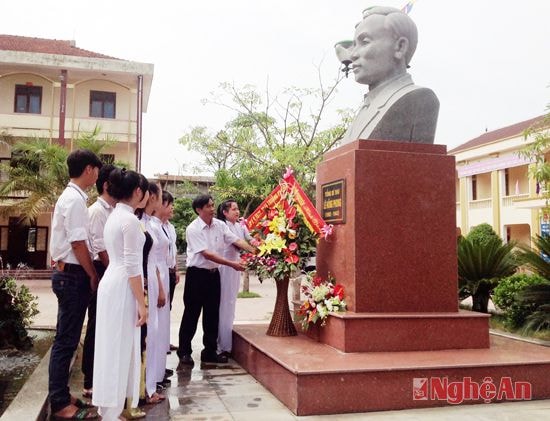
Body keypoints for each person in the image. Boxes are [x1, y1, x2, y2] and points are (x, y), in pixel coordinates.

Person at [48, 149, 102, 420]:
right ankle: (59, 403)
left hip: (66, 273)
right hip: (71, 274)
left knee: (66, 339)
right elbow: (78, 243)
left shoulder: (71, 197)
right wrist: (92, 274)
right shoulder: (75, 200)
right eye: (97, 169)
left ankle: (62, 393)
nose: (98, 175)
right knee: (66, 341)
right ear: (90, 170)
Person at [92, 169, 148, 420]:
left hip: (111, 282)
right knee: (120, 347)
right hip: (123, 286)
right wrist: (142, 303)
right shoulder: (131, 221)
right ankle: (112, 411)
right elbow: (133, 268)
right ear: (137, 191)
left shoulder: (115, 216)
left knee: (110, 345)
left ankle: (109, 409)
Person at [337, 6, 439, 144]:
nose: (353, 54)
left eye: (364, 42)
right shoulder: (367, 105)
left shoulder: (417, 98)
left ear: (400, 47)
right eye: (354, 45)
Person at [177, 194, 256, 367]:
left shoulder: (220, 225)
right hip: (197, 275)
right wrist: (231, 264)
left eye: (213, 205)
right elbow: (207, 254)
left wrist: (256, 251)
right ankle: (184, 351)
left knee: (212, 314)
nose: (213, 209)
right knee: (192, 313)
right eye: (209, 206)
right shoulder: (193, 229)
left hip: (214, 275)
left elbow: (235, 240)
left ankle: (210, 351)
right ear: (199, 210)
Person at [81, 164, 116, 400]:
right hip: (103, 269)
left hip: (112, 269)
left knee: (108, 325)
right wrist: (116, 272)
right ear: (106, 185)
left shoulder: (113, 210)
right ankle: (90, 379)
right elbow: (100, 249)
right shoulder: (96, 211)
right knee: (96, 325)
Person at [140, 182, 169, 402]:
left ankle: (151, 383)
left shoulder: (151, 223)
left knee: (156, 332)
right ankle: (146, 387)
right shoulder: (141, 222)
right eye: (159, 195)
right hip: (147, 278)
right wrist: (155, 287)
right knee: (149, 334)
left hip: (156, 276)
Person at [216, 199, 253, 358]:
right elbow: (239, 243)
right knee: (223, 304)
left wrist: (267, 245)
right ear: (225, 212)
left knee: (231, 303)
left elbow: (250, 239)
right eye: (234, 209)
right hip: (225, 266)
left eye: (238, 209)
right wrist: (258, 251)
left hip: (236, 268)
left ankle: (227, 342)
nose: (237, 212)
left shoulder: (240, 225)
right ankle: (221, 346)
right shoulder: (222, 225)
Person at [159, 191, 179, 357]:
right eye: (169, 204)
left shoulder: (170, 227)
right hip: (160, 273)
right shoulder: (155, 226)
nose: (172, 208)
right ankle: (160, 344)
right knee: (160, 309)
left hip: (170, 272)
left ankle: (165, 342)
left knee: (168, 308)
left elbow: (173, 250)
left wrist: (176, 269)